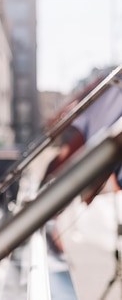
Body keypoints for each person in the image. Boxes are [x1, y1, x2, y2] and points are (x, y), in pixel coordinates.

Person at [40, 77, 122, 252]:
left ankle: (48, 216)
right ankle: (47, 216)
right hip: (98, 123)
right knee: (65, 166)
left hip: (99, 129)